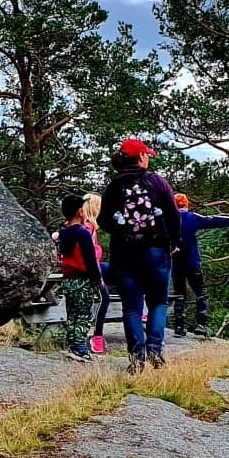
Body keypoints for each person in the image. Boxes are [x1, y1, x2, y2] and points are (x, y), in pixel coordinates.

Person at [99, 137, 181, 372]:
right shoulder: (157, 181)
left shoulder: (114, 185)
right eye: (147, 155)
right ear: (142, 157)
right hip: (156, 252)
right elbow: (174, 216)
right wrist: (174, 242)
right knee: (158, 302)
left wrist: (120, 229)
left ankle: (137, 358)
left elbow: (103, 219)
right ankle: (155, 351)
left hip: (125, 254)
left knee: (132, 308)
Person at [172, 193, 229, 338]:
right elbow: (215, 220)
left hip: (175, 262)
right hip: (192, 261)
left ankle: (179, 327)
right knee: (201, 292)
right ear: (186, 204)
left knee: (179, 293)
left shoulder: (167, 219)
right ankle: (201, 325)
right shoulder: (192, 217)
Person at [55, 194, 104, 363]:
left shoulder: (64, 232)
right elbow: (90, 260)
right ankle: (81, 349)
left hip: (68, 279)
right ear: (80, 212)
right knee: (84, 315)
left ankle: (72, 345)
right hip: (83, 281)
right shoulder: (82, 233)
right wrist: (98, 280)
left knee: (72, 314)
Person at [83, 193, 111, 355]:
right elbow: (89, 255)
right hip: (90, 270)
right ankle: (97, 336)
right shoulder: (87, 228)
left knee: (124, 271)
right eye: (100, 206)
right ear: (94, 208)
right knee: (104, 299)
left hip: (97, 266)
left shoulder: (90, 227)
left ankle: (141, 309)